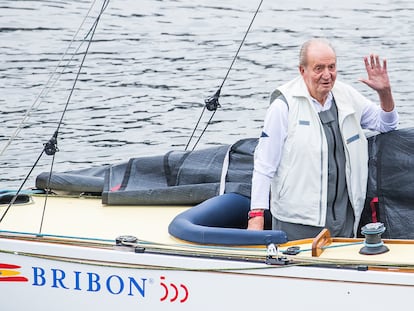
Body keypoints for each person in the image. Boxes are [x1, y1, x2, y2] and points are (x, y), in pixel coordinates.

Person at [247, 38, 398, 240]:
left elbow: (385, 124)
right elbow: (264, 166)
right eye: (319, 68)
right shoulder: (283, 106)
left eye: (332, 67)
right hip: (297, 223)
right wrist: (256, 219)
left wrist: (385, 93)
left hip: (344, 221)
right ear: (303, 71)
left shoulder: (346, 96)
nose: (327, 75)